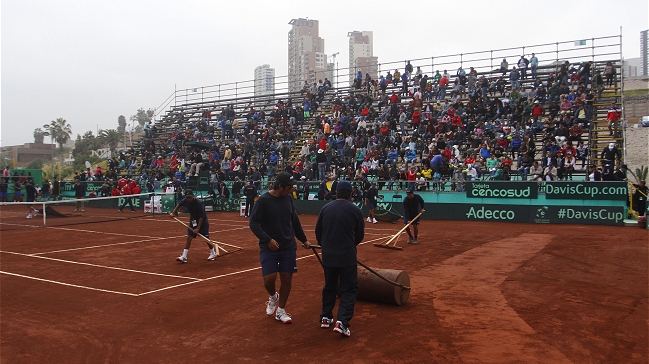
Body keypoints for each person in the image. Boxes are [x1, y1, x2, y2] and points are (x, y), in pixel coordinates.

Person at [249, 172, 311, 324]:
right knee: (269, 279)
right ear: (280, 186)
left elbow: (294, 221)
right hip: (268, 247)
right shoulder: (263, 201)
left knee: (286, 277)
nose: (291, 191)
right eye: (289, 188)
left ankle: (281, 310)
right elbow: (253, 224)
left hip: (288, 246)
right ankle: (273, 296)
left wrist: (303, 239)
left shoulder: (288, 198)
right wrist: (268, 240)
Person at [315, 180, 365, 337]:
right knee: (349, 289)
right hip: (347, 256)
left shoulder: (325, 208)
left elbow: (318, 232)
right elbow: (360, 235)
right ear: (351, 194)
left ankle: (325, 317)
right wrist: (350, 245)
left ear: (336, 193)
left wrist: (326, 246)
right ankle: (342, 321)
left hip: (328, 256)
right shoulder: (355, 210)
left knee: (329, 285)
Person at [169, 189, 217, 263]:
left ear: (193, 196)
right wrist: (173, 213)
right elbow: (179, 204)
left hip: (202, 222)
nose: (188, 199)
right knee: (189, 237)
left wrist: (198, 228)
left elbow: (202, 216)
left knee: (206, 238)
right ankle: (184, 256)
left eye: (190, 197)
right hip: (193, 221)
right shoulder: (185, 200)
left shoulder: (199, 203)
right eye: (187, 198)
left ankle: (213, 253)